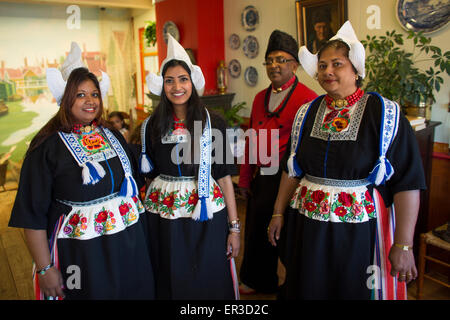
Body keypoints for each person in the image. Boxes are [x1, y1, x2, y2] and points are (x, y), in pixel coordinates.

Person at [268, 21, 426, 300]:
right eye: (322, 65)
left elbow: (407, 182)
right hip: (308, 227)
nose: (327, 71)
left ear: (356, 70)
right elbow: (292, 168)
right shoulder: (307, 112)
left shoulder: (385, 113)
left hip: (359, 232)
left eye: (337, 64)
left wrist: (403, 244)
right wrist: (278, 212)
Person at [8, 42, 155, 300]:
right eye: (80, 95)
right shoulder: (46, 147)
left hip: (129, 245)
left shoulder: (112, 136)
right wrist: (45, 268)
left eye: (94, 94)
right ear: (65, 99)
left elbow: (139, 175)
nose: (90, 101)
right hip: (82, 253)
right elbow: (31, 213)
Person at [140, 34, 240, 299]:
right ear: (162, 86)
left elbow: (224, 177)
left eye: (182, 79)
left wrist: (234, 228)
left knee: (207, 275)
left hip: (206, 215)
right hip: (164, 217)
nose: (176, 87)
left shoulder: (213, 123)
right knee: (170, 274)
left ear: (192, 83)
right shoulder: (152, 126)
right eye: (169, 80)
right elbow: (148, 178)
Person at [238, 30, 317, 295]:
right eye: (270, 60)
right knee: (256, 230)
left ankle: (294, 284)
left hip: (290, 176)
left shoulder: (308, 98)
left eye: (281, 59)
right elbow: (251, 140)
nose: (274, 65)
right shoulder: (260, 97)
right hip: (264, 174)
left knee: (287, 233)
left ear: (294, 65)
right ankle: (257, 279)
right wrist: (246, 179)